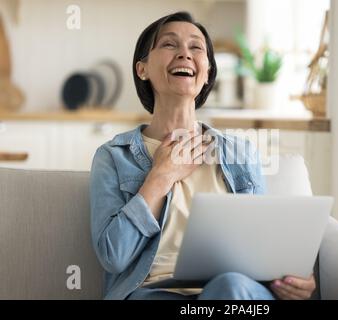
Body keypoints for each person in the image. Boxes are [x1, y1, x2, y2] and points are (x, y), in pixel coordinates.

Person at [89, 11, 316, 300]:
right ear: (142, 68)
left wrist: (290, 280)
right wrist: (161, 176)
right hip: (153, 293)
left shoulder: (240, 153)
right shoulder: (113, 157)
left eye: (196, 47)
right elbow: (114, 256)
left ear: (207, 71)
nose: (184, 54)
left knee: (230, 288)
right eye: (170, 44)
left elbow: (260, 248)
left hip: (234, 292)